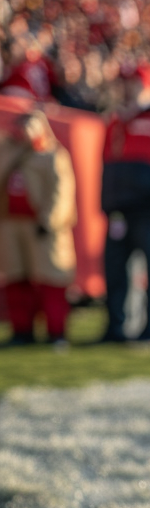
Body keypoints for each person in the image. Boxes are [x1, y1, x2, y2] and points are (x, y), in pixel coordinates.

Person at [100, 60, 150, 343]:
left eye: (134, 81)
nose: (128, 87)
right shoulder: (115, 121)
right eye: (125, 82)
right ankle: (116, 327)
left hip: (149, 209)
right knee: (114, 271)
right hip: (119, 212)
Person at [0, 110, 77, 345]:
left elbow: (61, 192)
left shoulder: (53, 155)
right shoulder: (9, 152)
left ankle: (56, 332)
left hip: (42, 226)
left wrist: (49, 220)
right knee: (16, 278)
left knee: (51, 280)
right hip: (12, 223)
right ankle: (22, 330)